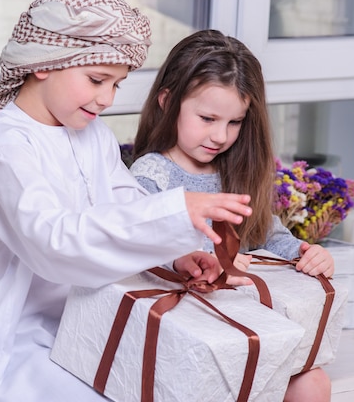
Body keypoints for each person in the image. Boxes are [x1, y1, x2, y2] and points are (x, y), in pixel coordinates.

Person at [0, 0, 254, 401]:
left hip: (90, 323)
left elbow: (126, 205)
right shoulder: (5, 145)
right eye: (96, 80)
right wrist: (174, 211)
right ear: (43, 65)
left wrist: (176, 253)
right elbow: (54, 243)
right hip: (12, 340)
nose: (106, 98)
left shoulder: (92, 135)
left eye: (117, 84)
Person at [130, 29, 335, 402]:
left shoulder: (235, 173)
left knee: (313, 382)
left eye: (234, 122)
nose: (221, 136)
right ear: (167, 101)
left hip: (247, 325)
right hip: (188, 333)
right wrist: (201, 261)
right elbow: (138, 249)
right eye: (207, 118)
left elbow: (269, 236)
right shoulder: (151, 174)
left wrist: (303, 252)